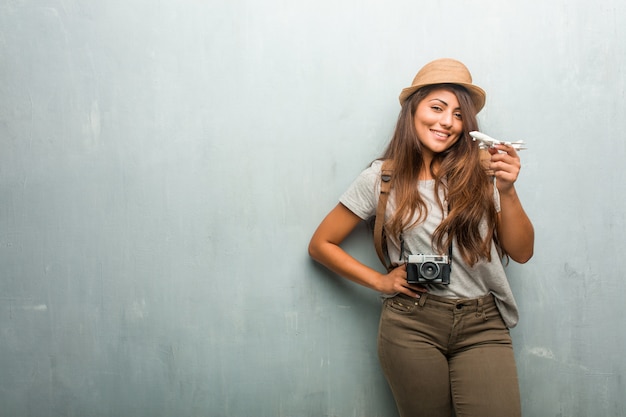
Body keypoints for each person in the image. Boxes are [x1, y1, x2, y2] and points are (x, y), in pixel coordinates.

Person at [308, 58, 534, 417]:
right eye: (437, 108)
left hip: (482, 324)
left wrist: (506, 190)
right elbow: (321, 244)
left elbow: (521, 252)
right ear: (413, 111)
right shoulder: (381, 179)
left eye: (459, 115)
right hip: (411, 323)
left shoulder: (483, 169)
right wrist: (381, 282)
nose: (447, 122)